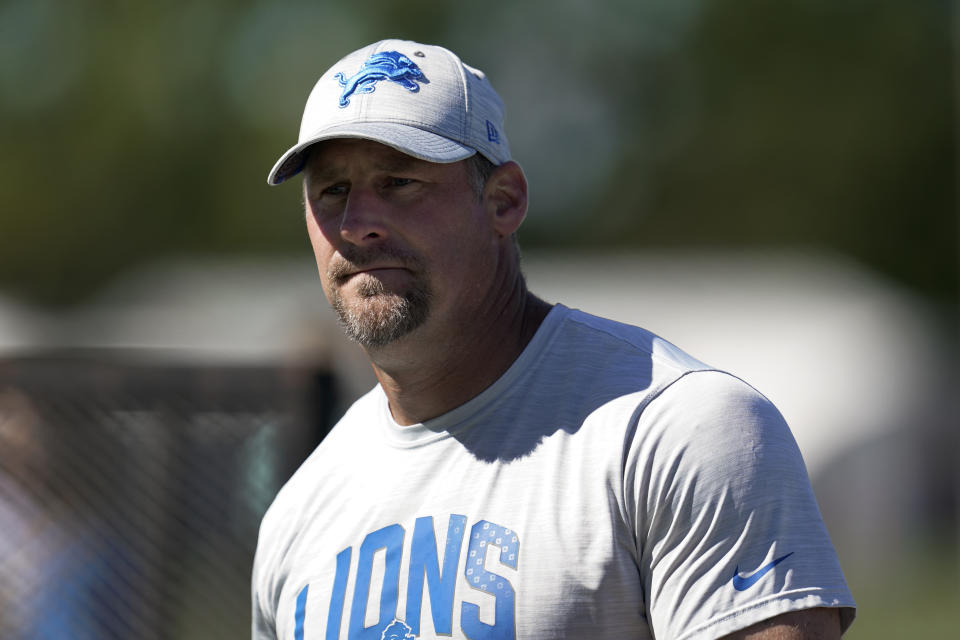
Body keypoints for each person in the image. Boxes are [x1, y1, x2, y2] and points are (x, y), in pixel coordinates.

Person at [252, 39, 856, 640]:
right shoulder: (300, 511)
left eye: (400, 181)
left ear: (504, 201)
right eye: (332, 191)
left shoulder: (676, 431)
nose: (358, 223)